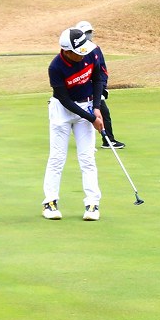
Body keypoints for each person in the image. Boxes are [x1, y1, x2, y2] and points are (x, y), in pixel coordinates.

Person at [43, 27, 107, 220]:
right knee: (57, 158)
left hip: (86, 105)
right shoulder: (55, 67)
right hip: (61, 112)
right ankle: (50, 202)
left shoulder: (90, 53)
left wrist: (96, 107)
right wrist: (92, 118)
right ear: (67, 51)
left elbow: (97, 79)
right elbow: (64, 100)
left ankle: (92, 204)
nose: (83, 54)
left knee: (87, 158)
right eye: (78, 52)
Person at [76, 20, 124, 149]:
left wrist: (103, 86)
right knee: (75, 114)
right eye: (86, 32)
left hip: (95, 88)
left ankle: (108, 140)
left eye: (90, 32)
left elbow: (102, 68)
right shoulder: (75, 51)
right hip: (81, 89)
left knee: (103, 113)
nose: (88, 35)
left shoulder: (96, 49)